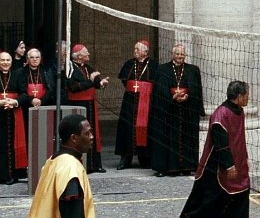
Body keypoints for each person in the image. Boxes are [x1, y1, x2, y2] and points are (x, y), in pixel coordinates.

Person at [181, 81, 250, 218]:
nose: (248, 98)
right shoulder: (220, 115)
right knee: (208, 202)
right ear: (239, 96)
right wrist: (229, 165)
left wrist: (244, 159)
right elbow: (220, 144)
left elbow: (240, 139)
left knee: (240, 195)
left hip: (238, 164)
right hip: (217, 166)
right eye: (247, 95)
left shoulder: (239, 111)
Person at [151, 44, 205, 176]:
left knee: (187, 139)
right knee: (167, 138)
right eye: (177, 54)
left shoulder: (193, 70)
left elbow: (197, 89)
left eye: (182, 54)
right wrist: (172, 97)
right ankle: (166, 168)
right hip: (168, 112)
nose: (180, 56)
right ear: (172, 54)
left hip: (187, 111)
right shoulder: (163, 69)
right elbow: (159, 89)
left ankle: (187, 166)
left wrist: (188, 96)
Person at [28, 114, 96, 218]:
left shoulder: (53, 160)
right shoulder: (71, 168)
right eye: (87, 133)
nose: (91, 137)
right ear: (74, 138)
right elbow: (73, 211)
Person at [65, 44, 108, 173]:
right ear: (79, 56)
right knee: (80, 134)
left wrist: (101, 83)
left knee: (92, 133)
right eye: (86, 52)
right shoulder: (70, 68)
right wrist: (91, 81)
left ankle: (95, 165)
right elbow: (73, 87)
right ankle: (83, 165)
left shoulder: (87, 67)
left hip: (90, 105)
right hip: (78, 105)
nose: (88, 54)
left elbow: (95, 81)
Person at [115, 40, 157, 170]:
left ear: (146, 51)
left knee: (145, 128)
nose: (135, 52)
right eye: (135, 49)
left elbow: (156, 83)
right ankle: (125, 158)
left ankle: (145, 158)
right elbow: (124, 81)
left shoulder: (154, 65)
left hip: (146, 102)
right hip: (130, 102)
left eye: (137, 49)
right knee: (127, 128)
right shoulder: (129, 64)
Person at [0, 51, 27, 185]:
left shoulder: (17, 75)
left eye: (8, 60)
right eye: (2, 60)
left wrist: (15, 102)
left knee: (12, 143)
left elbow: (24, 94)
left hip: (14, 114)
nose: (5, 63)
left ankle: (12, 175)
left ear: (11, 62)